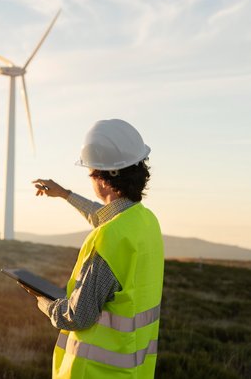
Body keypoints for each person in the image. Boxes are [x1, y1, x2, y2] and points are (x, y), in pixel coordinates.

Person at [32, 119, 164, 378]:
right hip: (136, 370)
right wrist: (65, 194)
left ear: (103, 180)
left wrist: (46, 305)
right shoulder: (146, 221)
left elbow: (78, 316)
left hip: (95, 372)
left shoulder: (110, 238)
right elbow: (104, 215)